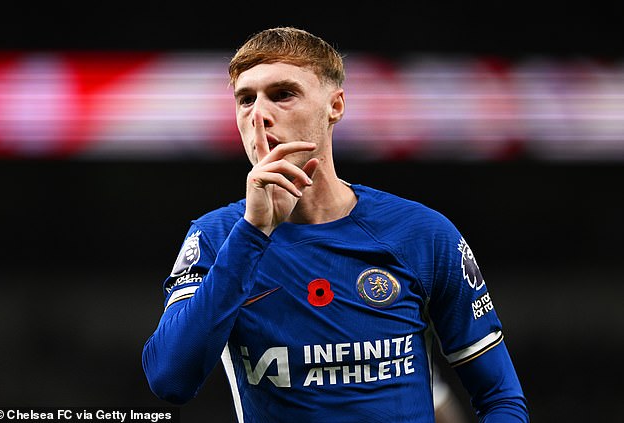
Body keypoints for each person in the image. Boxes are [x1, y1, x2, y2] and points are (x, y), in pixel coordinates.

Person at [142, 27, 529, 422]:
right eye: (245, 100)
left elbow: (500, 398)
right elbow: (170, 380)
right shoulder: (216, 237)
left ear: (335, 106)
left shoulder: (421, 233)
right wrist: (253, 232)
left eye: (282, 95)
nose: (259, 114)